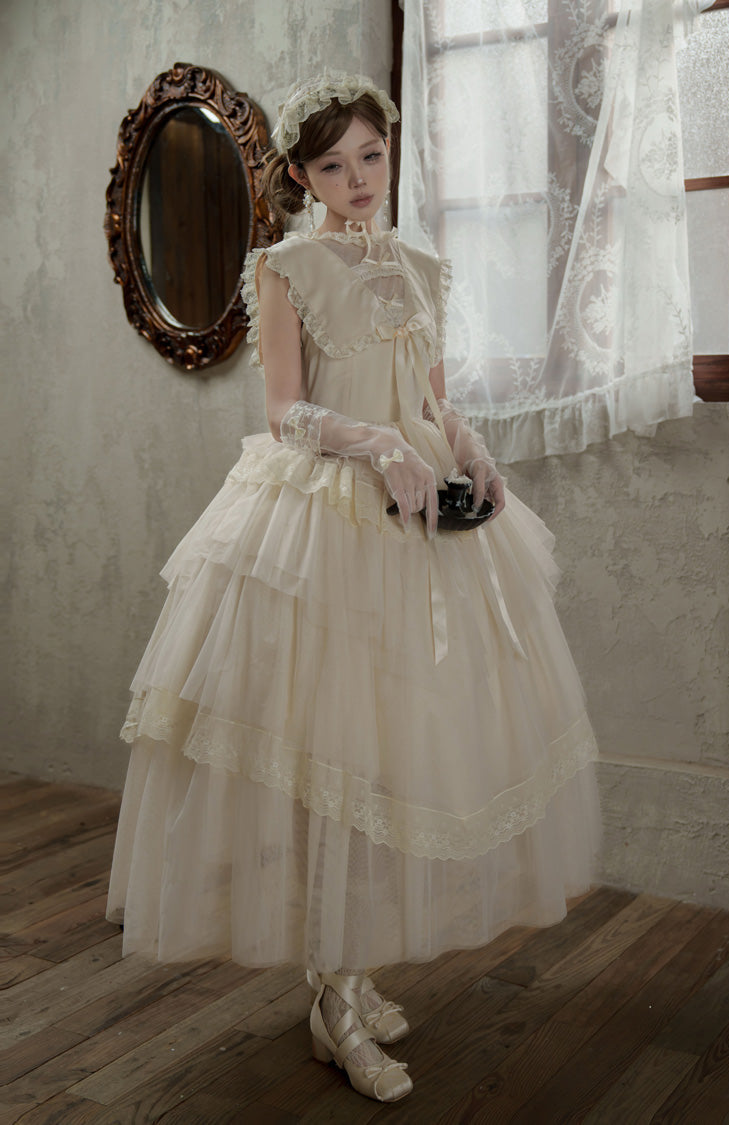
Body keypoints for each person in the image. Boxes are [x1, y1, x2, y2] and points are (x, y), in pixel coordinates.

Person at [107, 73, 600, 1104]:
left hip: (425, 521)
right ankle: (333, 999)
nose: (358, 179)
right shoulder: (285, 267)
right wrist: (375, 443)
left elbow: (433, 398)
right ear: (300, 174)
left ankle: (352, 974)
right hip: (329, 524)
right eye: (333, 165)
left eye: (371, 156)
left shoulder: (421, 264)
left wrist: (472, 447)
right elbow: (285, 412)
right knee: (335, 749)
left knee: (398, 742)